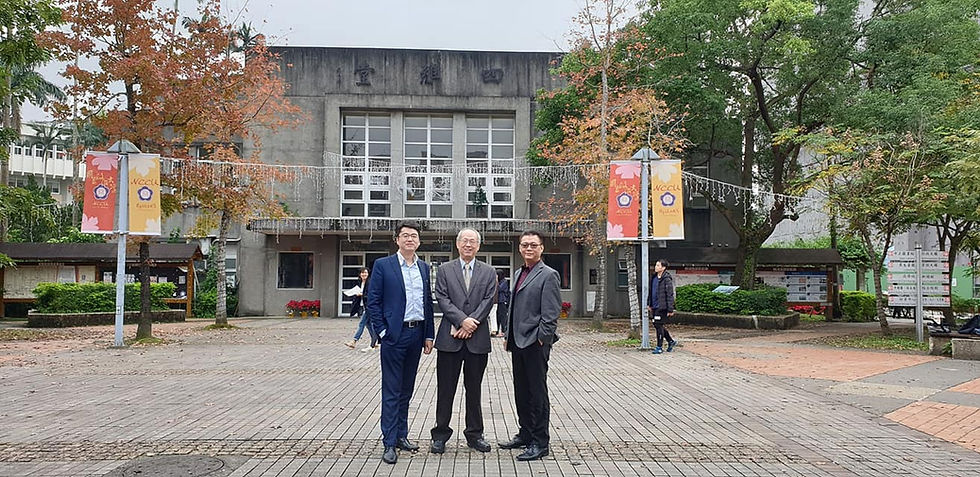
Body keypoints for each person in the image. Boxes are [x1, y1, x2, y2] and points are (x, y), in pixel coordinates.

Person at [366, 221, 435, 465]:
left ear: (419, 241)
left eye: (413, 236)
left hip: (417, 335)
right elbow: (373, 301)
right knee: (392, 390)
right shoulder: (383, 265)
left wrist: (429, 335)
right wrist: (382, 332)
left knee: (406, 389)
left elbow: (427, 302)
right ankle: (389, 442)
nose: (409, 239)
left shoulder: (424, 267)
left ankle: (401, 435)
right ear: (397, 240)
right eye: (405, 235)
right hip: (394, 336)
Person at [429, 228, 497, 454]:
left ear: (478, 246)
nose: (468, 245)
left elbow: (488, 300)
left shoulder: (489, 271)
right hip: (449, 339)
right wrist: (461, 321)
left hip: (477, 339)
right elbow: (442, 297)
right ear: (458, 244)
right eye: (465, 241)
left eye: (472, 241)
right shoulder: (445, 270)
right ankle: (440, 435)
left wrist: (471, 323)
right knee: (445, 389)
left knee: (474, 390)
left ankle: (475, 434)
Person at [498, 230, 560, 462]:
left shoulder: (548, 274)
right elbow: (513, 306)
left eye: (533, 245)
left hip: (535, 342)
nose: (529, 249)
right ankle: (525, 433)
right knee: (521, 390)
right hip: (517, 341)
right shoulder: (519, 272)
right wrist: (507, 334)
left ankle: (540, 442)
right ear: (520, 248)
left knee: (537, 393)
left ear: (541, 248)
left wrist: (542, 337)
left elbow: (551, 312)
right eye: (525, 245)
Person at [647, 258, 678, 354]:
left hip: (662, 306)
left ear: (663, 268)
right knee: (657, 324)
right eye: (656, 265)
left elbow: (669, 294)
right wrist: (649, 303)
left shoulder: (667, 279)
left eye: (658, 265)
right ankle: (670, 341)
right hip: (654, 305)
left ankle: (659, 347)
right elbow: (651, 291)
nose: (656, 267)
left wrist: (670, 309)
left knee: (658, 325)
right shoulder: (654, 277)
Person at [345, 268, 378, 351]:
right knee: (368, 325)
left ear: (368, 274)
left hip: (369, 306)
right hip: (363, 305)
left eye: (365, 273)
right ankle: (375, 341)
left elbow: (371, 294)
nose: (364, 274)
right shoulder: (360, 282)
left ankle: (354, 341)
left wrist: (362, 295)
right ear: (360, 274)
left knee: (362, 323)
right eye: (362, 273)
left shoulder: (370, 282)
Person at [492, 269, 510, 337]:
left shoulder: (504, 281)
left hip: (503, 301)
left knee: (503, 317)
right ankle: (497, 331)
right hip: (498, 301)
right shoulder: (499, 282)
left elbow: (499, 288)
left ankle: (503, 331)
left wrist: (496, 282)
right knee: (498, 317)